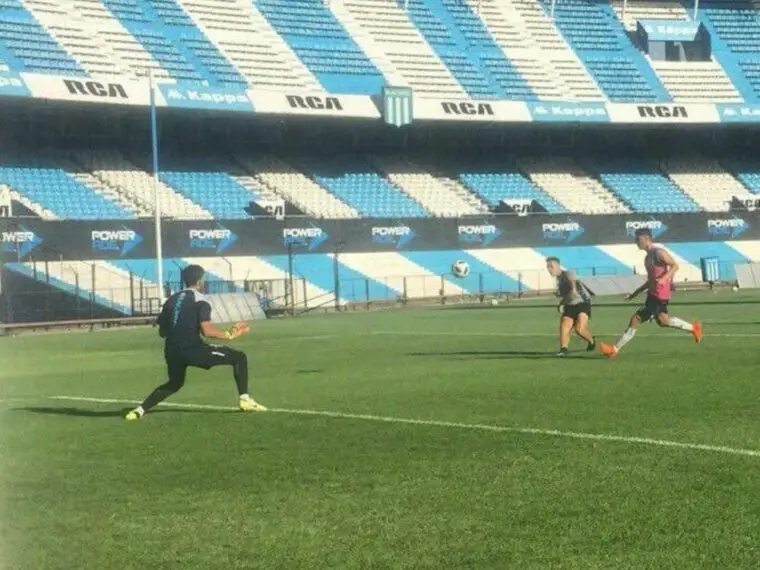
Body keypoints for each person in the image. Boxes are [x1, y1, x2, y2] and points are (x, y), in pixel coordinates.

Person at [125, 264, 266, 420]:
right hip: (193, 349)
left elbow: (162, 331)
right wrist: (229, 334)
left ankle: (139, 410)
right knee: (239, 357)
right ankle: (245, 400)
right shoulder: (201, 300)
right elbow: (207, 330)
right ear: (200, 282)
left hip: (171, 351)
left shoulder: (172, 300)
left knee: (175, 383)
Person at [599, 228, 702, 358]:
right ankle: (694, 328)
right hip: (653, 294)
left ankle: (614, 348)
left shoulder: (659, 253)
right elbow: (650, 280)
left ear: (647, 239)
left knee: (636, 319)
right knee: (663, 321)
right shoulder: (647, 258)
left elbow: (675, 265)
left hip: (659, 295)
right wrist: (635, 293)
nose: (636, 242)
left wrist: (664, 279)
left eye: (638, 239)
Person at [546, 257, 596, 356]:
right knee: (564, 326)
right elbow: (567, 294)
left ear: (558, 266)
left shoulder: (568, 273)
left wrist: (562, 303)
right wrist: (562, 303)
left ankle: (591, 341)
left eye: (551, 266)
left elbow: (573, 291)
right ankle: (563, 350)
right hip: (570, 304)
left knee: (579, 329)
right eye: (547, 267)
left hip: (582, 303)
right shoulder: (558, 280)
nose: (549, 269)